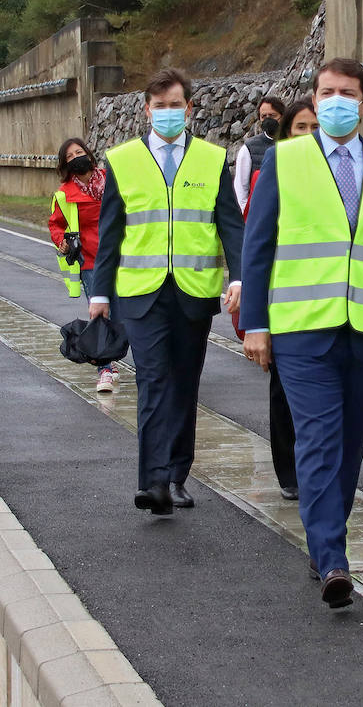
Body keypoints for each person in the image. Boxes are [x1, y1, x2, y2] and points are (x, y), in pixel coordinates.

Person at [240, 58, 363, 609]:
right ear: (314, 101)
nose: (336, 101)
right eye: (326, 93)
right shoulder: (284, 159)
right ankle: (334, 556)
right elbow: (259, 243)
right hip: (302, 330)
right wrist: (256, 322)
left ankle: (324, 547)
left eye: (347, 93)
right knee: (318, 438)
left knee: (350, 445)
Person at [89, 68, 245, 516]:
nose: (168, 113)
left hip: (194, 292)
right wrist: (100, 294)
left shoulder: (213, 159)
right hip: (141, 293)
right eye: (160, 106)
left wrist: (238, 277)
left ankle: (177, 474)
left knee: (183, 382)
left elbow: (230, 226)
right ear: (146, 110)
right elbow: (111, 232)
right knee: (153, 378)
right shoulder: (122, 160)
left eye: (176, 104)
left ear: (190, 109)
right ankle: (153, 481)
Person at [260, 97, 320, 502]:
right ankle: (290, 470)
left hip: (334, 303)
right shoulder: (276, 170)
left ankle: (318, 466)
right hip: (287, 304)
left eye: (316, 127)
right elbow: (259, 244)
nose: (310, 134)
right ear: (286, 134)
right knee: (285, 392)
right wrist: (257, 321)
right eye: (302, 127)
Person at [49, 137, 118, 393]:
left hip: (123, 257)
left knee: (124, 313)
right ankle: (105, 369)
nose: (76, 157)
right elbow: (55, 223)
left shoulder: (113, 179)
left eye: (79, 152)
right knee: (100, 314)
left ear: (89, 154)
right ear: (64, 165)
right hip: (90, 261)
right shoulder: (64, 194)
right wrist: (61, 241)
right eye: (69, 156)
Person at [233, 95, 287, 212]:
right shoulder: (249, 148)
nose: (268, 119)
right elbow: (241, 187)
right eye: (264, 116)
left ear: (282, 117)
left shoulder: (292, 142)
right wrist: (247, 214)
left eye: (272, 115)